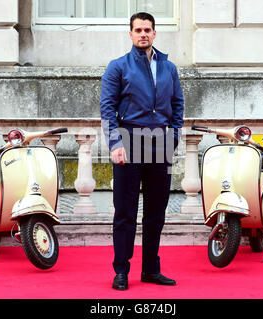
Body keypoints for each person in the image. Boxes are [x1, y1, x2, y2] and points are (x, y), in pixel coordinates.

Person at [100, 12, 184, 291]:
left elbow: (178, 105)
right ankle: (121, 271)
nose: (143, 34)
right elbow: (107, 109)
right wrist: (115, 143)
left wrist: (173, 136)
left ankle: (150, 269)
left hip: (160, 143)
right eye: (138, 30)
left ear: (155, 33)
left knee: (156, 212)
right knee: (125, 212)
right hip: (129, 139)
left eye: (147, 29)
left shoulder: (169, 67)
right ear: (131, 34)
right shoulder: (118, 67)